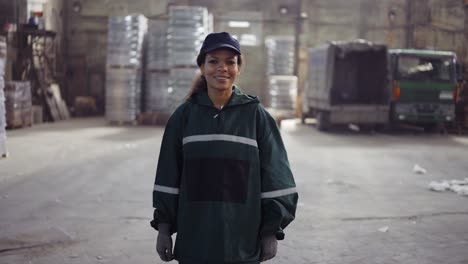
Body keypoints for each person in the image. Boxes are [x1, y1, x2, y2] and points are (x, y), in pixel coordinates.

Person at [151, 32, 298, 264]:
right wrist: (163, 229)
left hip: (242, 244)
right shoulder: (184, 117)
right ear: (201, 66)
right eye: (213, 61)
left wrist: (271, 231)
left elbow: (276, 177)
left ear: (239, 68)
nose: (222, 68)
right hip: (195, 242)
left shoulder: (255, 116)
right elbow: (168, 177)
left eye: (230, 61)